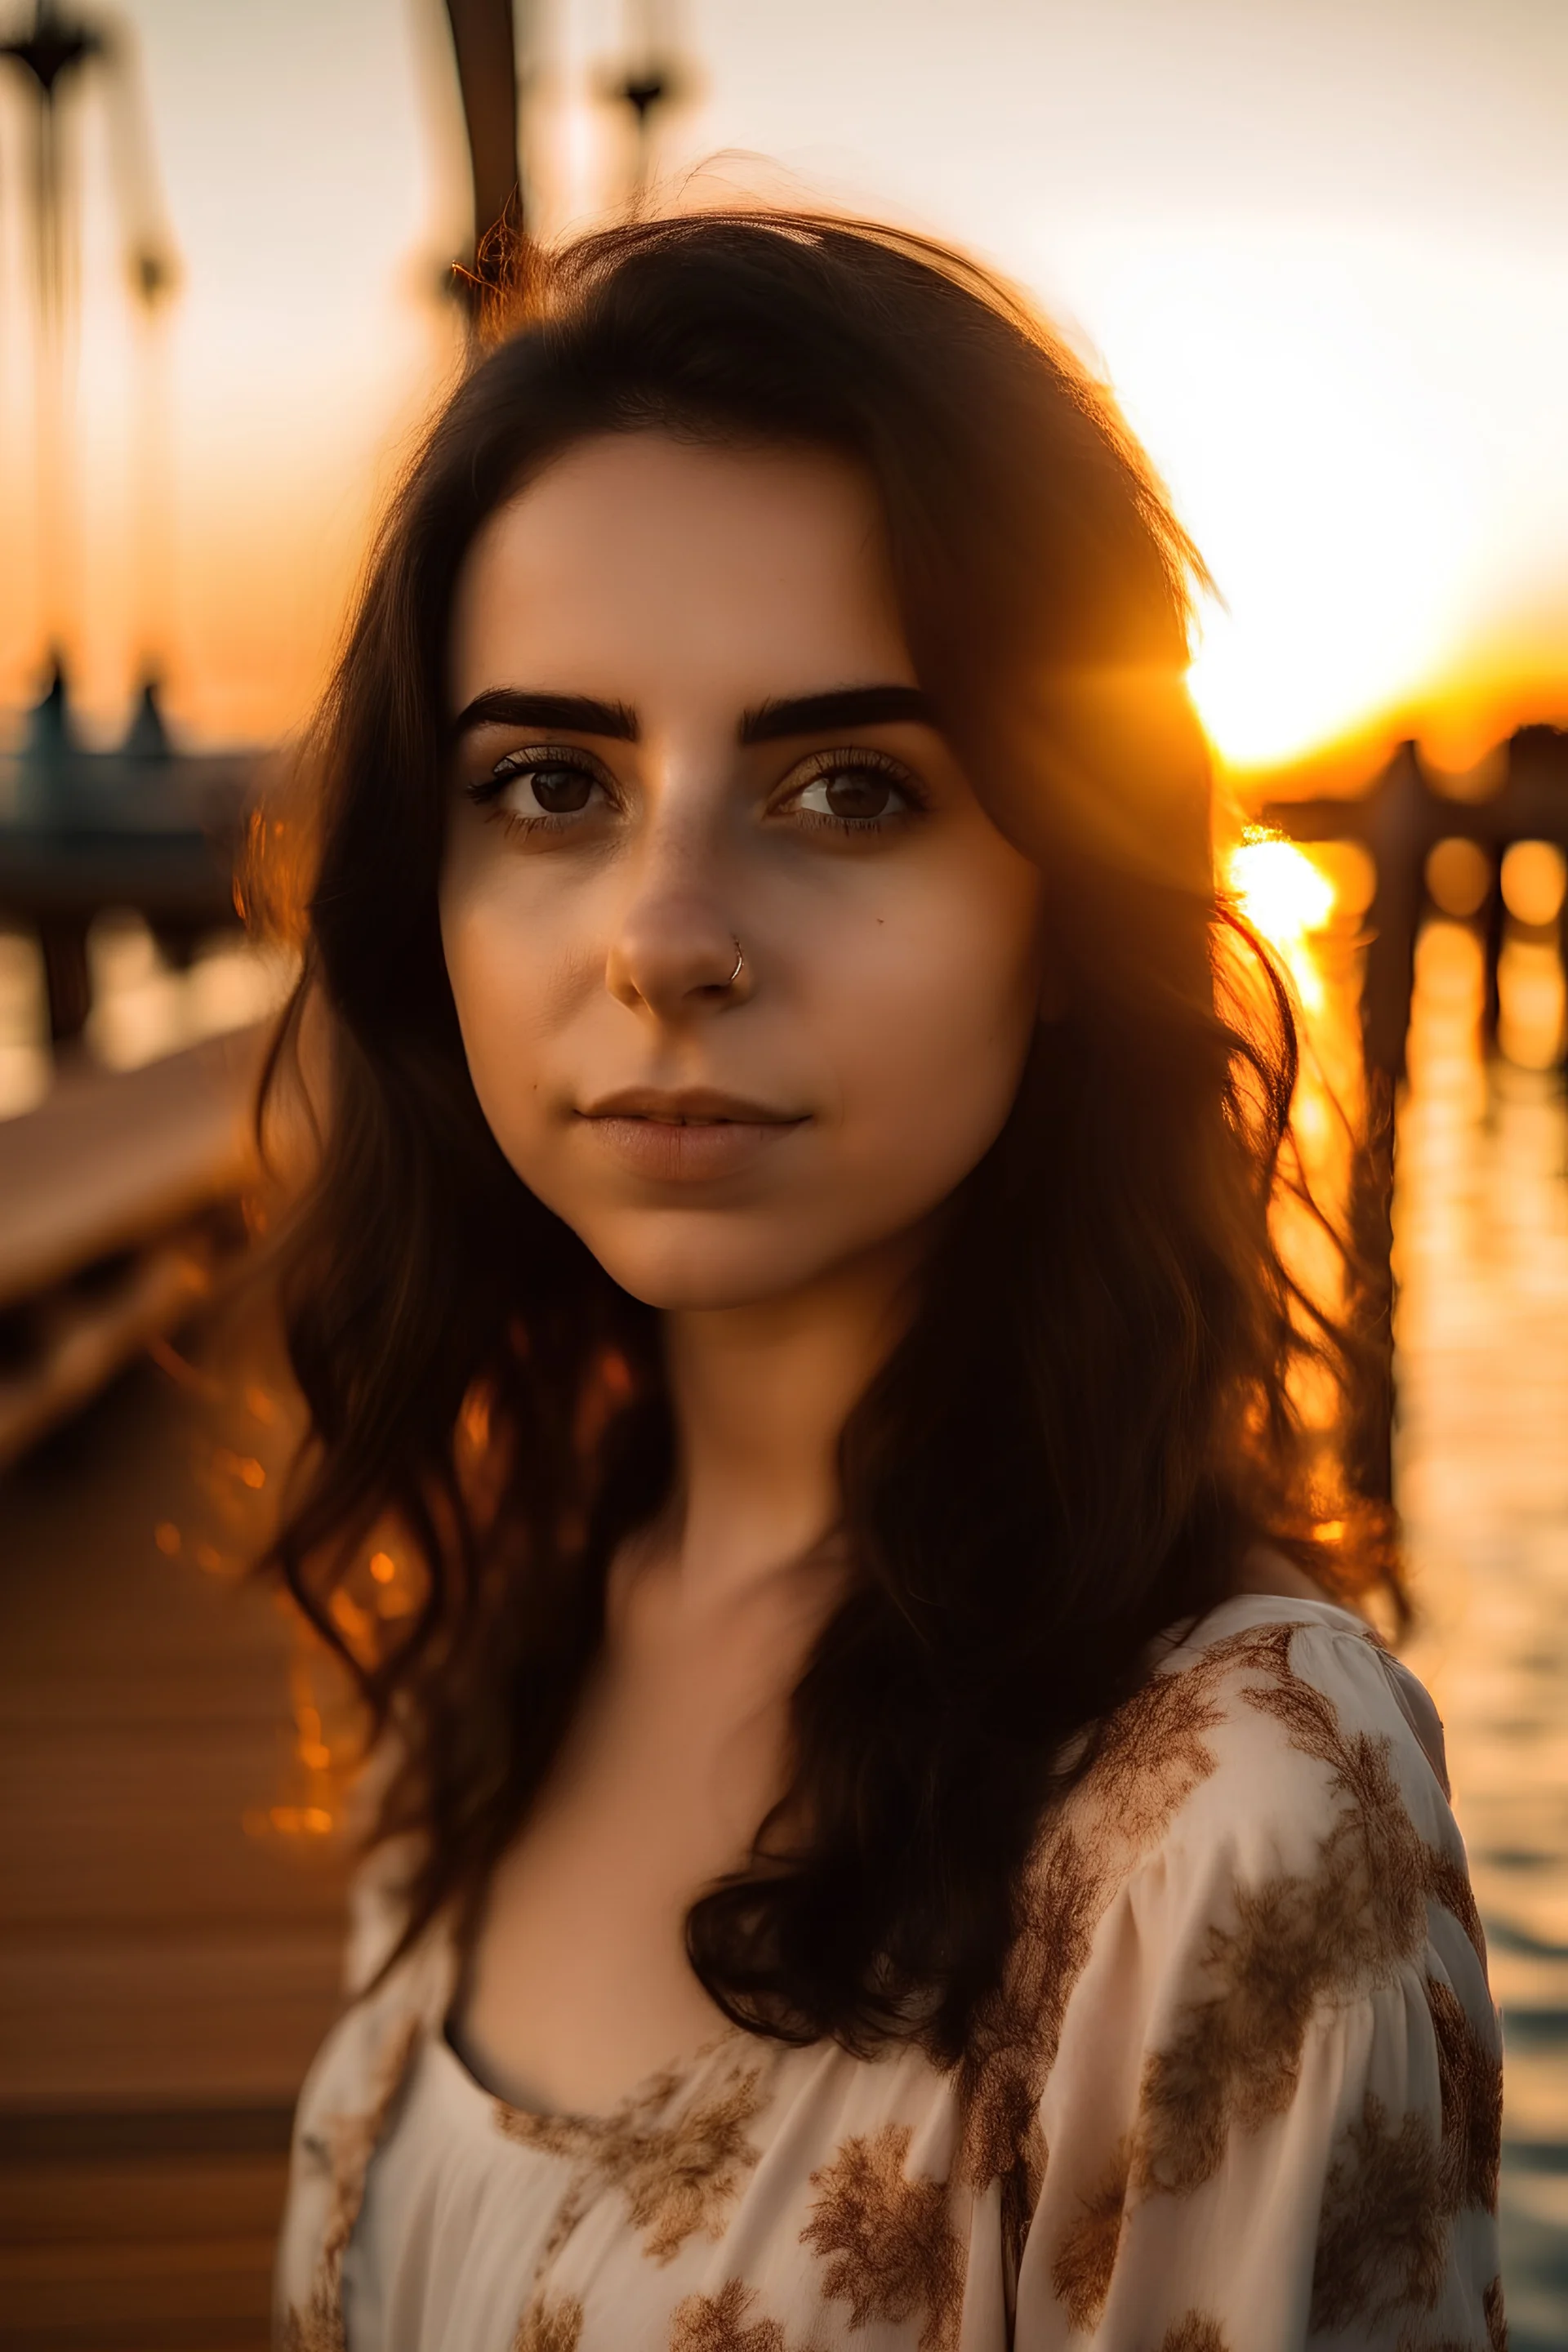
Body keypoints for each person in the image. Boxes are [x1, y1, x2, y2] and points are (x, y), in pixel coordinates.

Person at [265, 209, 1501, 2351]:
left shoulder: (1233, 1806)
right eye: (551, 782)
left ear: (1066, 895)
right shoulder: (499, 1621)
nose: (664, 938)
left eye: (848, 788)